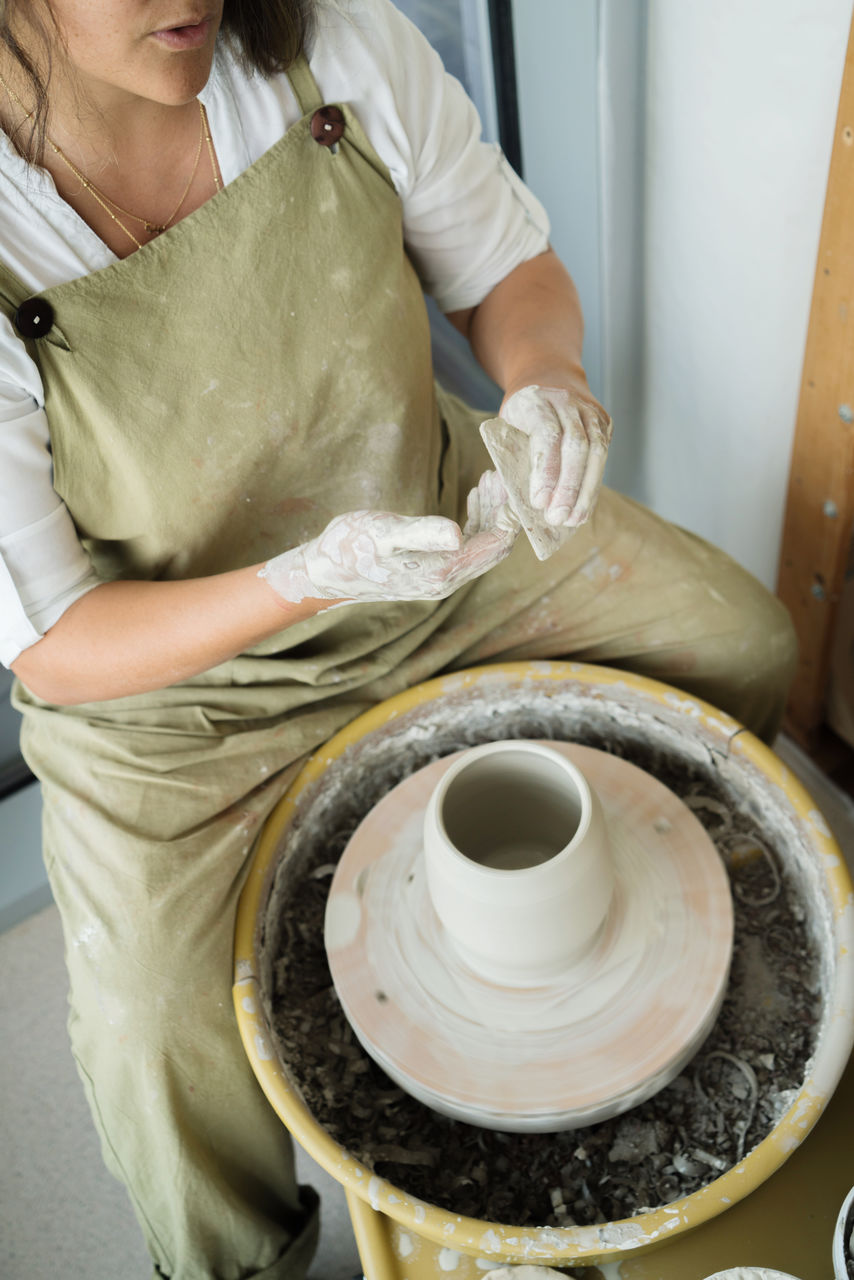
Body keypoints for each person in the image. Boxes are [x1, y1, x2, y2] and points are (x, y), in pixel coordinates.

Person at [0, 1, 796, 1276]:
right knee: (158, 1050)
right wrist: (310, 577)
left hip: (440, 537)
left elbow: (505, 273)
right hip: (172, 689)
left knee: (739, 642)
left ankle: (626, 977)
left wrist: (546, 378)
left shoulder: (331, 39)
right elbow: (54, 643)